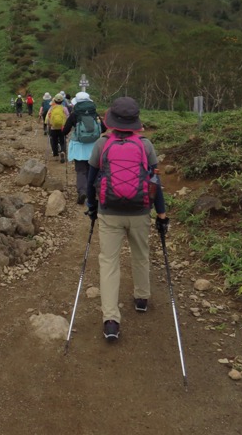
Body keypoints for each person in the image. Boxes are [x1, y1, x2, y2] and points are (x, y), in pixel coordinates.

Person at [85, 97, 169, 342]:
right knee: (141, 254)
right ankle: (141, 297)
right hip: (140, 212)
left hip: (109, 212)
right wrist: (161, 215)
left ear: (111, 120)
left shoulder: (102, 144)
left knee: (109, 263)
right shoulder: (146, 145)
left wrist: (92, 208)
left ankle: (111, 320)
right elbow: (156, 184)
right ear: (135, 122)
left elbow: (91, 182)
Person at [62, 92, 105, 204]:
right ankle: (94, 193)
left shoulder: (74, 114)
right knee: (93, 170)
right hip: (93, 147)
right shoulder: (94, 113)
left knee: (81, 171)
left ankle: (82, 192)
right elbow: (104, 128)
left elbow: (65, 130)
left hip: (78, 147)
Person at [46, 93, 69, 162]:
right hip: (62, 128)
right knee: (62, 141)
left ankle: (55, 155)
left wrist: (49, 125)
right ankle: (62, 151)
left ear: (54, 101)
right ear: (62, 101)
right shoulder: (64, 108)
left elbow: (48, 118)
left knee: (54, 141)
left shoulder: (51, 108)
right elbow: (68, 117)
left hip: (53, 128)